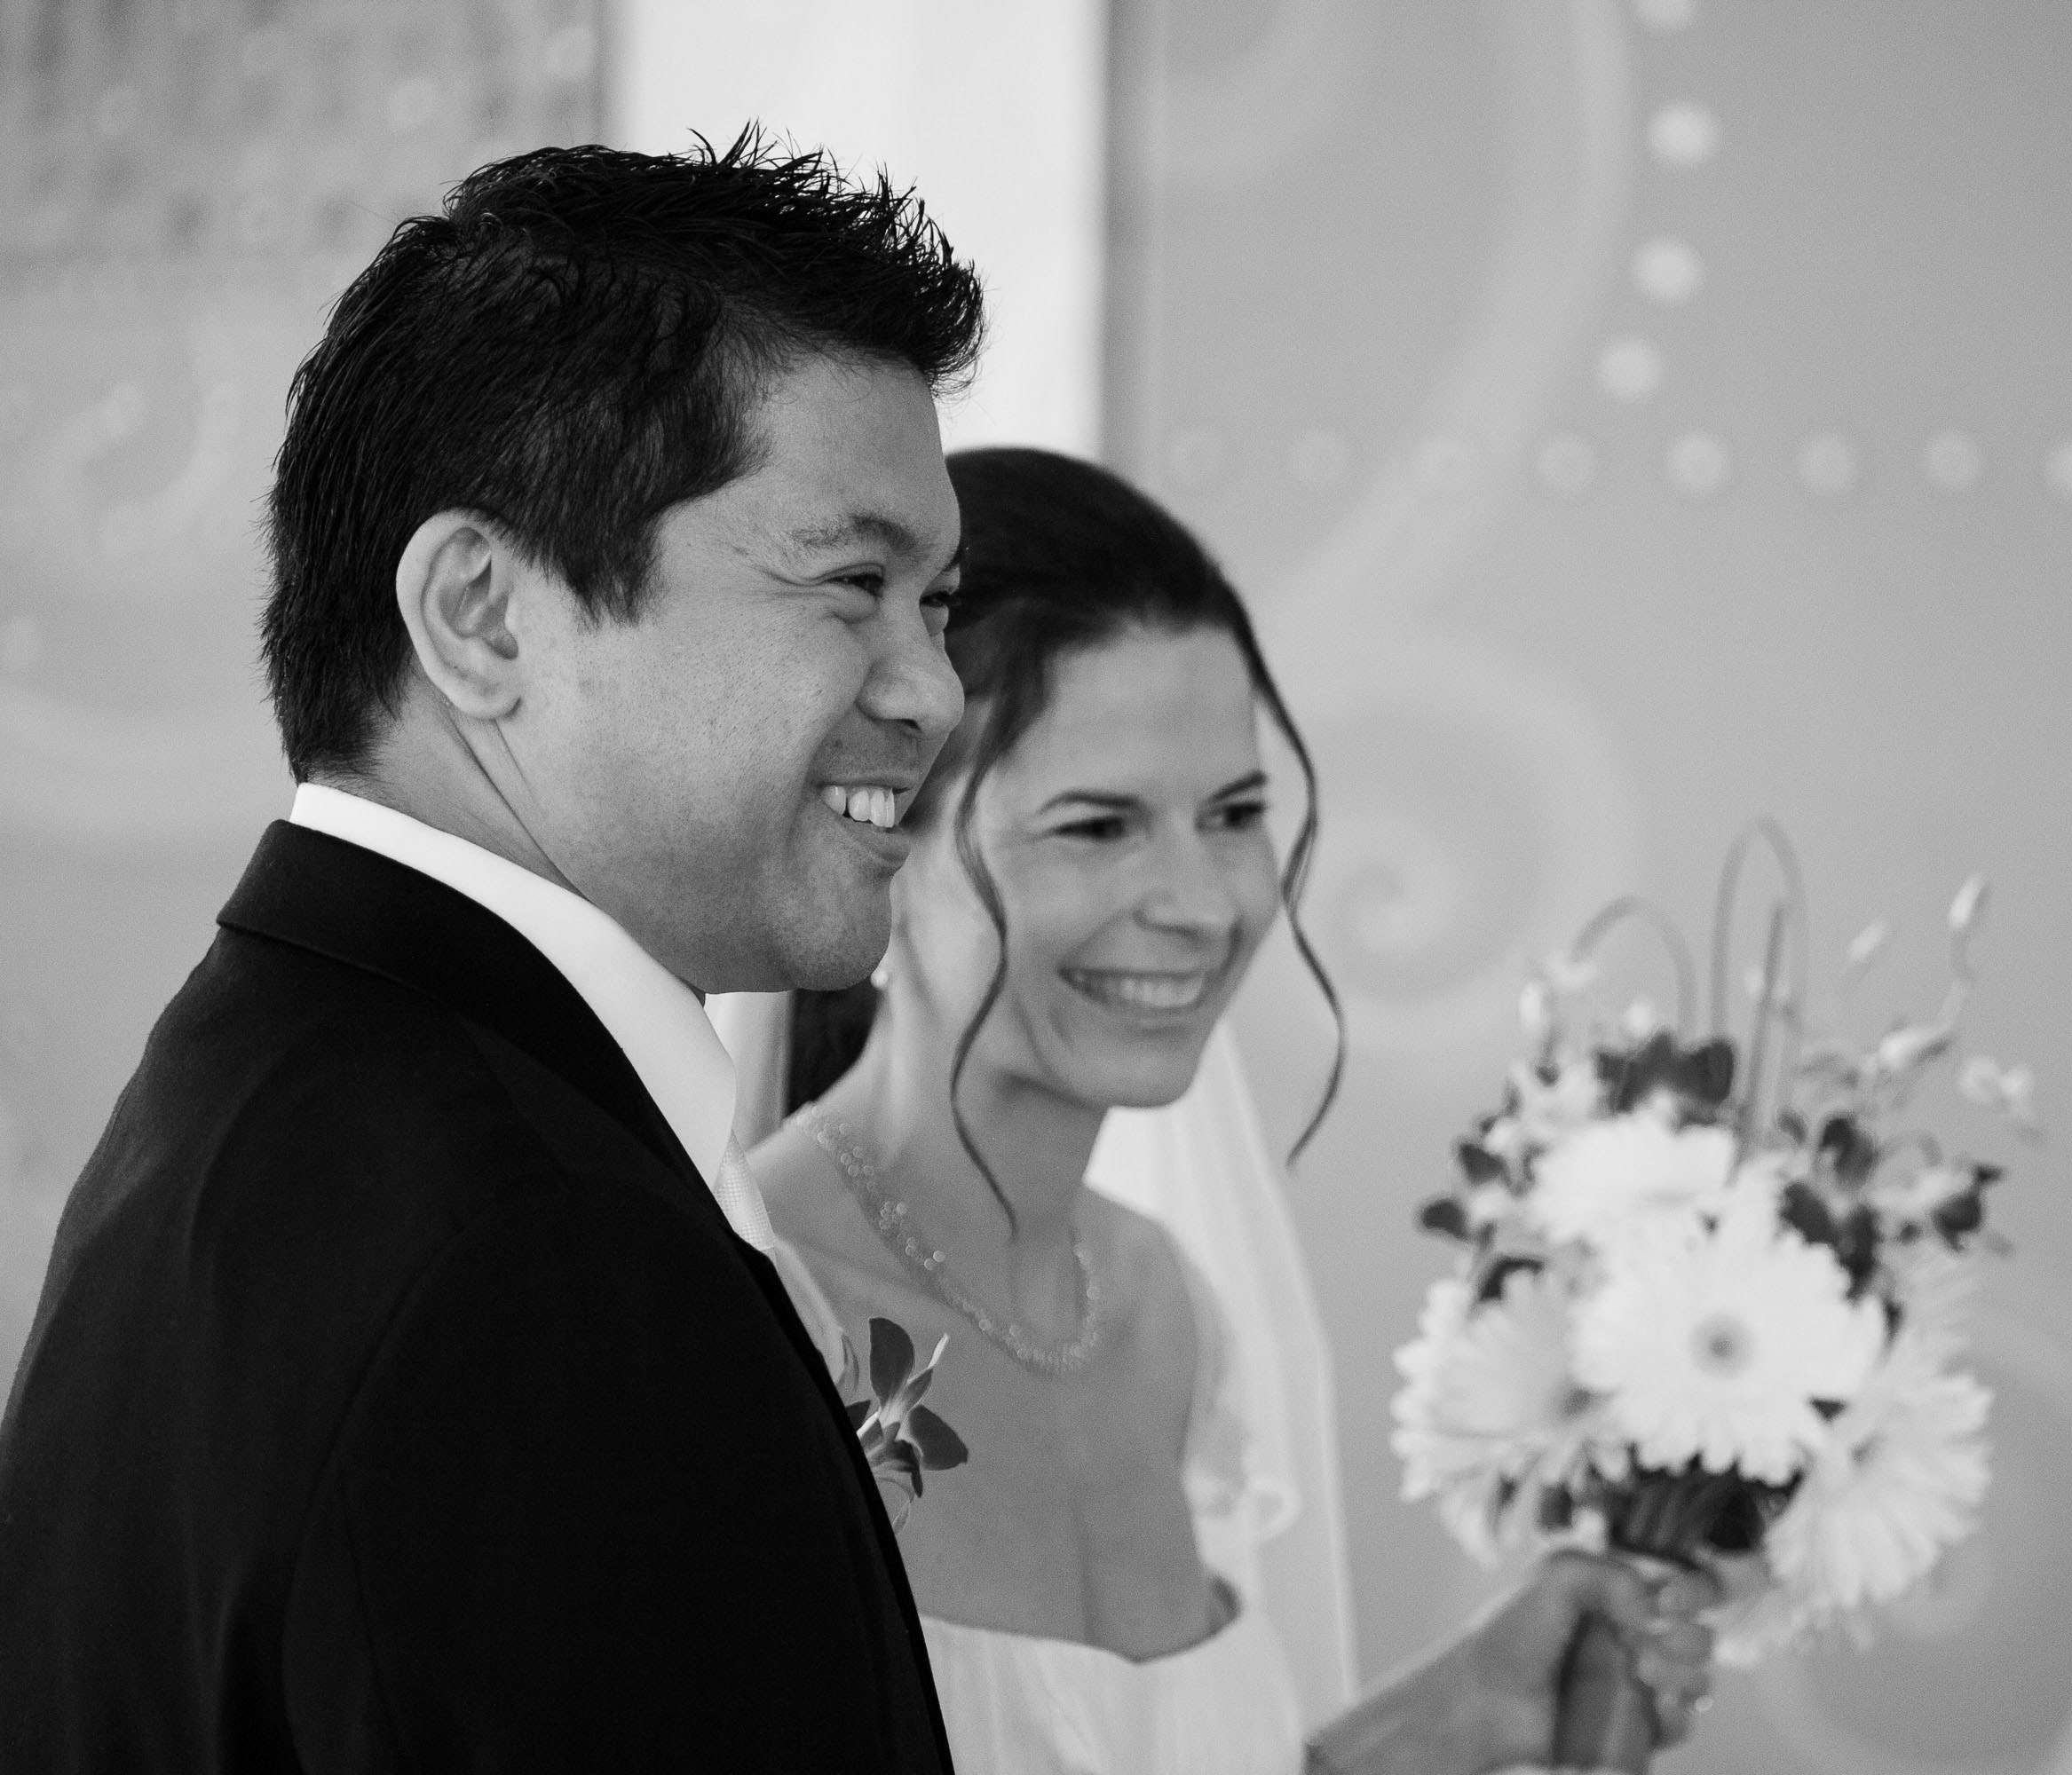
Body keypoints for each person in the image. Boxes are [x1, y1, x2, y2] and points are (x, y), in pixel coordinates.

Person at [0, 136, 981, 1769]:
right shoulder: (538, 1254)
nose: (933, 690)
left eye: (940, 602)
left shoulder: (282, 1081)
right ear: (482, 611)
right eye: (854, 583)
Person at [739, 446, 1719, 1775]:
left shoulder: (1166, 1317)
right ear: (883, 841)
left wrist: (1450, 1718)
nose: (1201, 904)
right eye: (1099, 827)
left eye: (1234, 813)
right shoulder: (755, 1321)